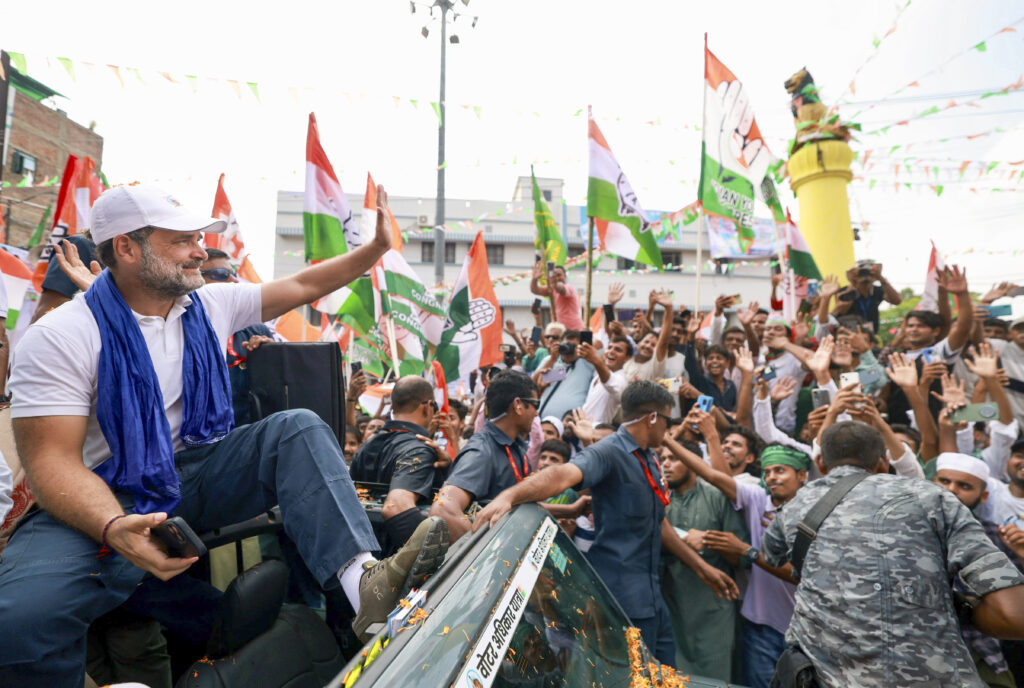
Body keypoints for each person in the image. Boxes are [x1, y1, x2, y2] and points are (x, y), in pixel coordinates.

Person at [0, 184, 450, 685]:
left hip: (194, 473)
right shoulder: (62, 335)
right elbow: (51, 464)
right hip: (105, 493)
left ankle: (362, 583)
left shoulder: (211, 304)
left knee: (296, 428)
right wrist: (110, 524)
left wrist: (374, 249)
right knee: (20, 619)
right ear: (126, 248)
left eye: (200, 238)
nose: (200, 251)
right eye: (182, 241)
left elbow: (303, 285)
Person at [474, 380, 740, 665]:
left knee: (662, 677)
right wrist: (510, 495)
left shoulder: (649, 458)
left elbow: (659, 524)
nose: (668, 428)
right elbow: (563, 475)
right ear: (652, 418)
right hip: (618, 600)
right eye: (666, 420)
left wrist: (701, 567)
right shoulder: (609, 452)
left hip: (652, 599)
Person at [762, 421, 1024, 688]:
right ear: (883, 462)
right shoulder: (933, 497)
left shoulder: (795, 507)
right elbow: (1014, 617)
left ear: (819, 461)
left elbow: (771, 555)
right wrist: (956, 605)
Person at [666, 411, 804, 688]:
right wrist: (670, 440)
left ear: (802, 476)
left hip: (801, 627)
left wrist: (745, 550)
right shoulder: (757, 498)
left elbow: (798, 574)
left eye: (780, 471)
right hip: (759, 623)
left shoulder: (815, 513)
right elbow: (712, 475)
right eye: (767, 472)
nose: (772, 478)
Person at [659, 440, 748, 682]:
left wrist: (708, 541)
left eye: (674, 459)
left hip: (713, 611)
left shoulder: (717, 497)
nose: (666, 464)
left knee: (713, 679)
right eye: (663, 459)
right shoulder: (658, 499)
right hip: (672, 606)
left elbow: (740, 557)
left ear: (692, 463)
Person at [932, 452, 1020, 688]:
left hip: (980, 652)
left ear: (983, 497)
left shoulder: (995, 536)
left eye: (964, 486)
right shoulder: (903, 533)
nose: (951, 490)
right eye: (943, 481)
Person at [429, 370, 538, 541]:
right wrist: (488, 554)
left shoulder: (515, 445)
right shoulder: (481, 451)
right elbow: (443, 511)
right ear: (517, 405)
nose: (536, 413)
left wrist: (571, 510)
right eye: (535, 405)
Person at [350, 376, 446, 555]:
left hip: (363, 556)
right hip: (396, 568)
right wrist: (437, 557)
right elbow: (396, 507)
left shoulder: (366, 447)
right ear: (427, 406)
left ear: (393, 407)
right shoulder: (419, 450)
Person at [535, 330, 595, 421]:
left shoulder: (587, 364)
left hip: (569, 426)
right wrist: (552, 359)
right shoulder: (554, 363)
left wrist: (586, 351)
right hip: (544, 422)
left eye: (574, 346)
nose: (569, 348)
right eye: (566, 344)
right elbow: (532, 385)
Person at [832, 260, 902, 333]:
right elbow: (843, 310)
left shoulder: (877, 290)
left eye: (868, 271)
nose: (865, 274)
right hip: (850, 334)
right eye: (861, 271)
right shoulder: (845, 291)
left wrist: (880, 278)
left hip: (871, 337)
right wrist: (853, 282)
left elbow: (897, 301)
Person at [579, 336, 628, 425]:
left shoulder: (622, 380)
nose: (611, 351)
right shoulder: (597, 376)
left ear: (627, 358)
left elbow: (610, 383)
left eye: (618, 350)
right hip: (583, 430)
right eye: (609, 347)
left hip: (598, 435)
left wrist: (596, 360)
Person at [530, 262, 584, 331]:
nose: (557, 278)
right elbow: (535, 290)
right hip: (558, 330)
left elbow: (561, 289)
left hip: (574, 330)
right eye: (554, 275)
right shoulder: (551, 289)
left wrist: (554, 283)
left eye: (559, 275)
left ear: (565, 276)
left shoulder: (569, 287)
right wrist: (534, 279)